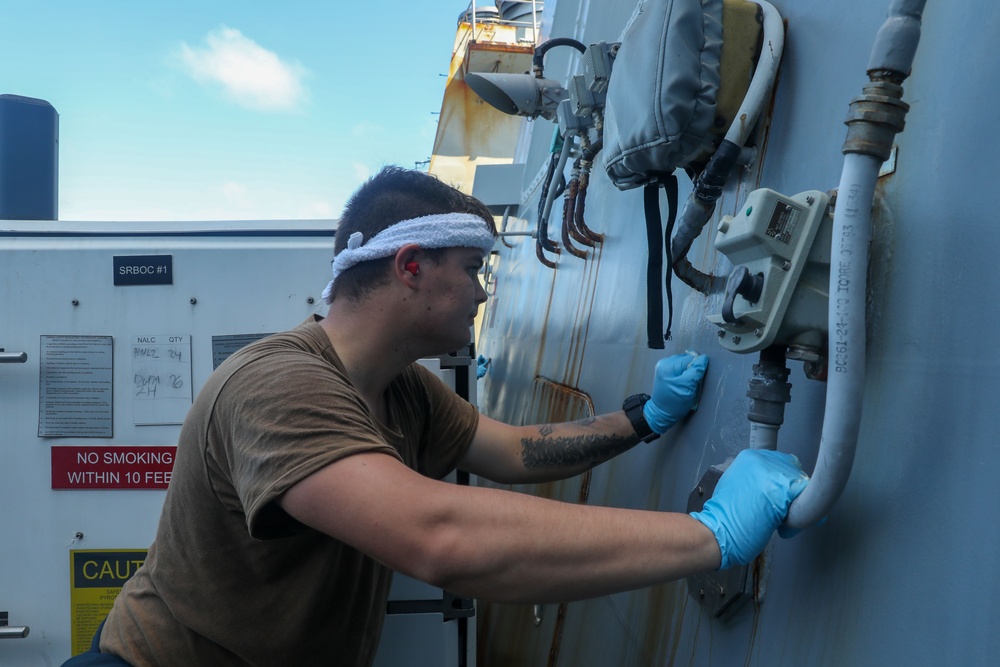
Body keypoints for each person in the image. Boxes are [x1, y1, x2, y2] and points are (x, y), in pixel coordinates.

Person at [72, 166, 807, 666]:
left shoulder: (403, 389)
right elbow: (439, 536)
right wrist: (709, 536)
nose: (484, 293)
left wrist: (643, 417)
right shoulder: (280, 383)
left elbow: (516, 451)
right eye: (473, 269)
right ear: (411, 266)